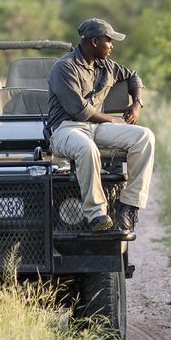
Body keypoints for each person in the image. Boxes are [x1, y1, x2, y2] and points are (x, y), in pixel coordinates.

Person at [45, 18, 154, 232]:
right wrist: (113, 119)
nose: (112, 45)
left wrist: (136, 104)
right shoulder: (64, 68)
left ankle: (128, 206)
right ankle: (96, 214)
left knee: (144, 137)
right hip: (66, 128)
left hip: (96, 129)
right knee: (86, 148)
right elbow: (80, 111)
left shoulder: (106, 66)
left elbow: (133, 77)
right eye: (109, 40)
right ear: (94, 41)